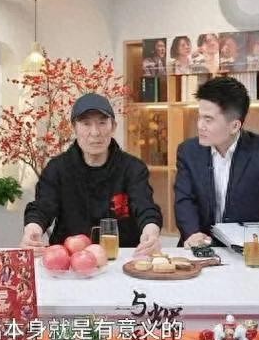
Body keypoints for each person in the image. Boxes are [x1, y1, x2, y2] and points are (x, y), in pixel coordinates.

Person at [22, 93, 163, 256]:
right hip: (68, 259)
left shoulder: (132, 168)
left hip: (121, 257)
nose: (95, 132)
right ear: (74, 128)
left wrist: (151, 232)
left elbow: (145, 207)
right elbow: (42, 207)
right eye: (86, 124)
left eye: (102, 123)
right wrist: (32, 230)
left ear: (113, 126)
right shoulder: (57, 168)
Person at [174, 76, 259, 248]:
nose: (200, 125)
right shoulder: (188, 151)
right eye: (199, 117)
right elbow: (184, 199)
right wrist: (192, 233)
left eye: (208, 120)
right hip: (200, 245)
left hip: (248, 246)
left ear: (234, 126)